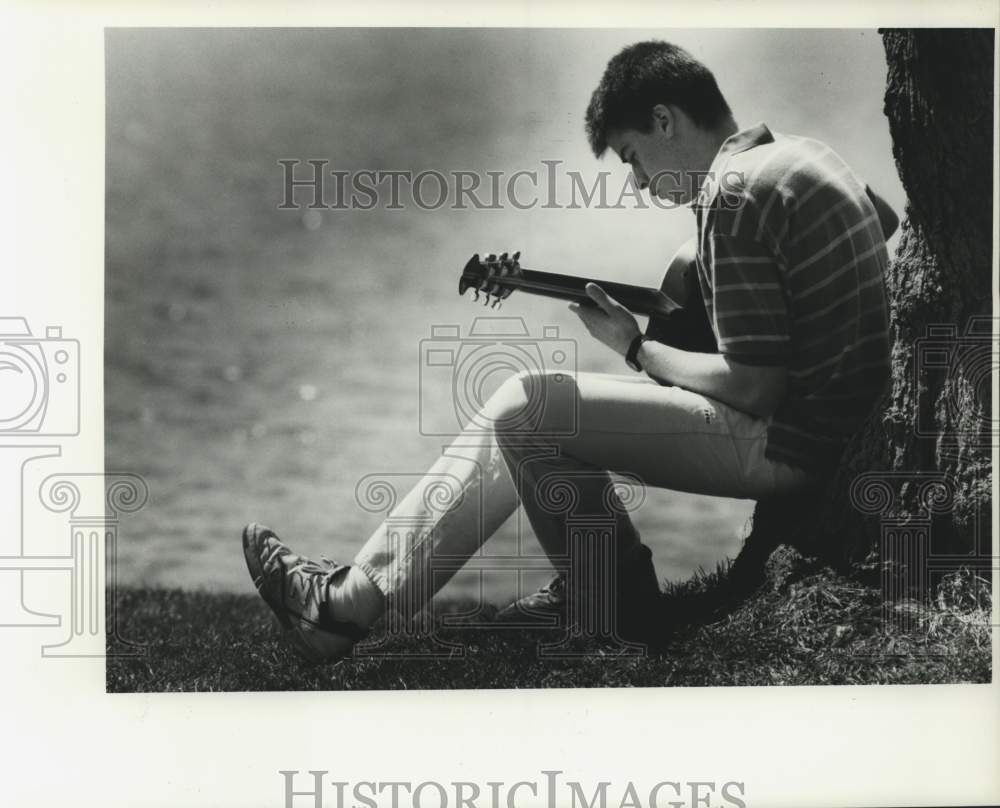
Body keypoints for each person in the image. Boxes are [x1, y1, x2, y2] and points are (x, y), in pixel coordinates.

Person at [241, 40, 898, 663]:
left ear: (665, 119)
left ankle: (607, 606)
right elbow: (884, 221)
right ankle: (351, 602)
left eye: (632, 156)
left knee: (528, 406)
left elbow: (755, 387)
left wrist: (635, 346)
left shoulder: (732, 194)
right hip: (833, 429)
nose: (639, 182)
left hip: (789, 445)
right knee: (521, 409)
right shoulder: (803, 157)